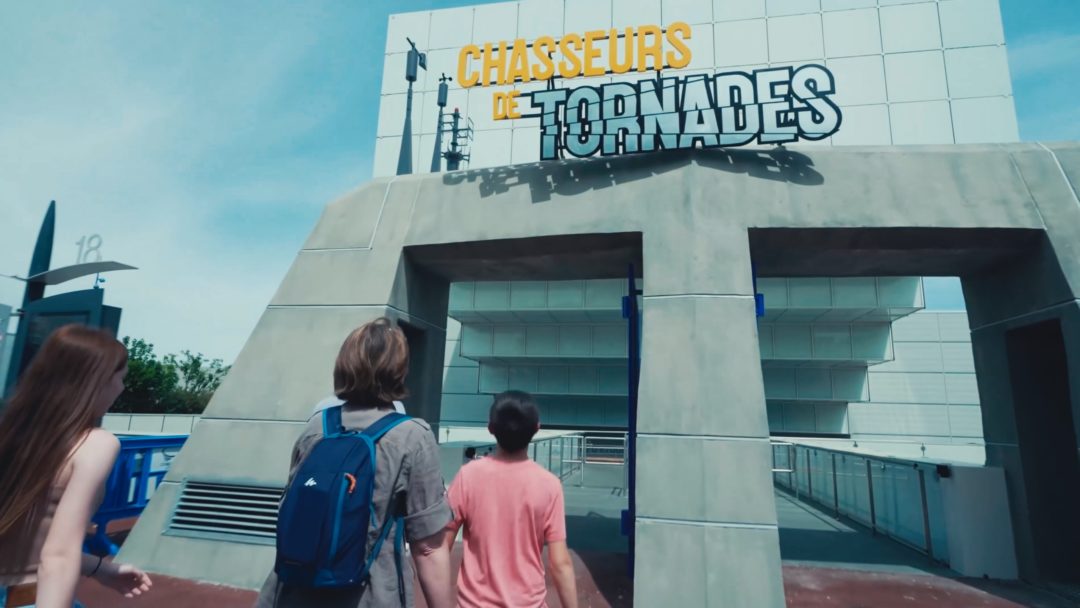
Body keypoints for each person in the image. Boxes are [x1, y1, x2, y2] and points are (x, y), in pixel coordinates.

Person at [256, 317, 453, 608]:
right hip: (368, 596)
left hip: (291, 591)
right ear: (399, 370)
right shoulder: (412, 436)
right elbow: (428, 548)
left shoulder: (316, 428)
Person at [0, 324, 153, 608]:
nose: (121, 387)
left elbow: (28, 537)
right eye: (120, 377)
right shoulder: (95, 444)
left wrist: (101, 568)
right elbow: (57, 554)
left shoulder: (11, 435)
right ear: (98, 381)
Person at [444, 390, 577, 608]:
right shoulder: (549, 485)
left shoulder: (468, 476)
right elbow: (560, 564)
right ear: (536, 429)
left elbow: (441, 546)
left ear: (490, 429)